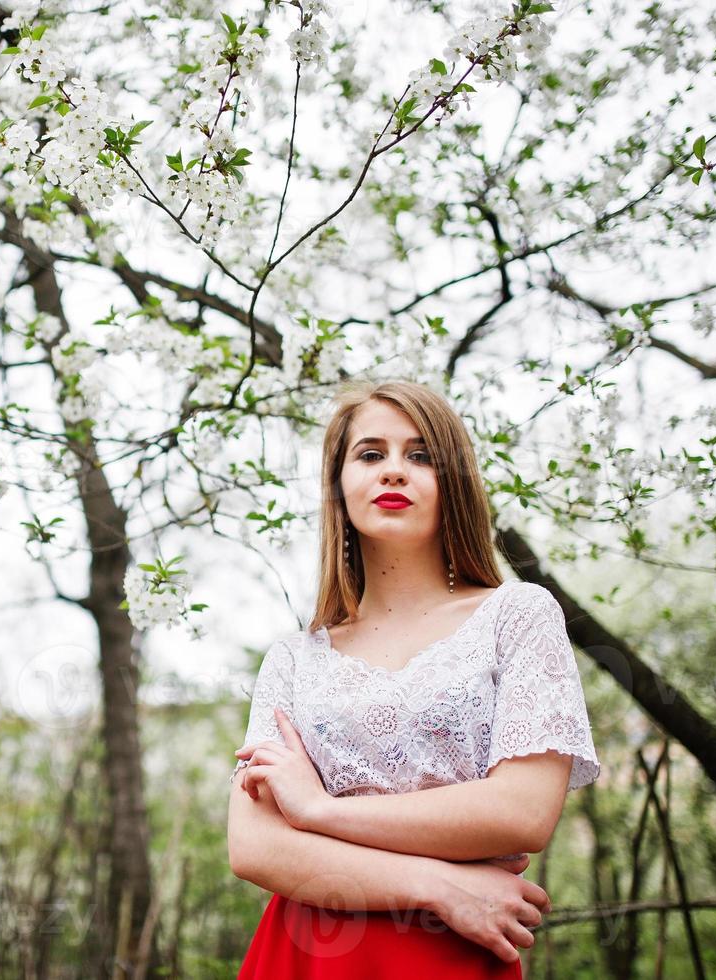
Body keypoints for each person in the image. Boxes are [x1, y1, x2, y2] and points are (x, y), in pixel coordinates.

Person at [226, 379, 602, 978]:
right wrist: (438, 885)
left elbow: (521, 812)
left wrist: (320, 812)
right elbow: (254, 847)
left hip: (450, 954)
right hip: (305, 951)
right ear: (339, 486)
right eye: (370, 454)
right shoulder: (292, 661)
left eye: (421, 455)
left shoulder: (519, 615)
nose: (394, 471)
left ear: (451, 480)